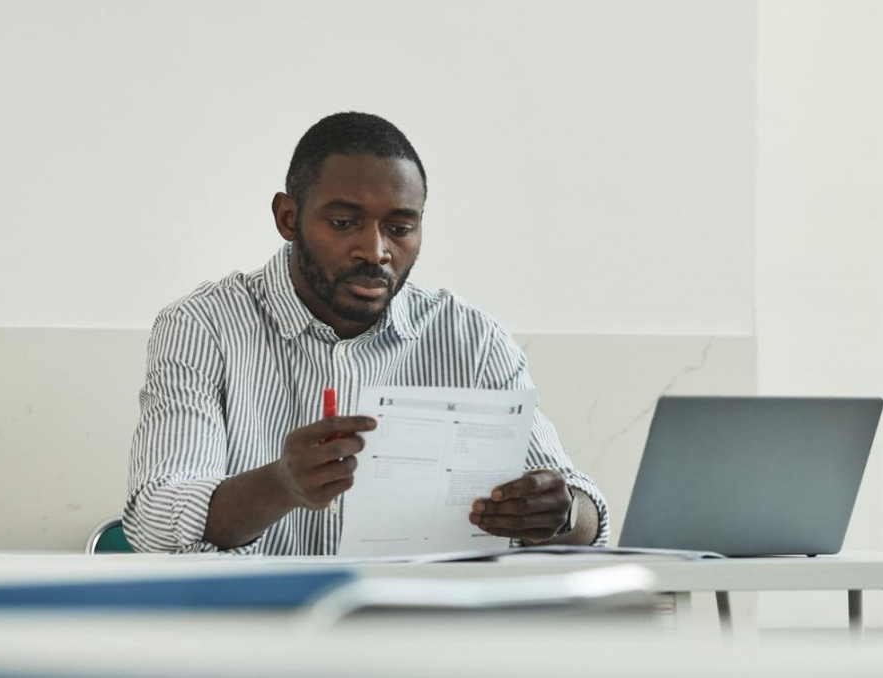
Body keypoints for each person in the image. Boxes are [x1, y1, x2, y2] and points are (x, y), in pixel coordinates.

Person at [124, 112, 609, 554]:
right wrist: (282, 484)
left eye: (399, 228)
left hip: (419, 632)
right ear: (288, 217)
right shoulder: (202, 326)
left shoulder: (472, 339)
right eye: (343, 222)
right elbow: (154, 520)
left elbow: (582, 510)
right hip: (252, 635)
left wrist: (561, 511)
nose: (375, 250)